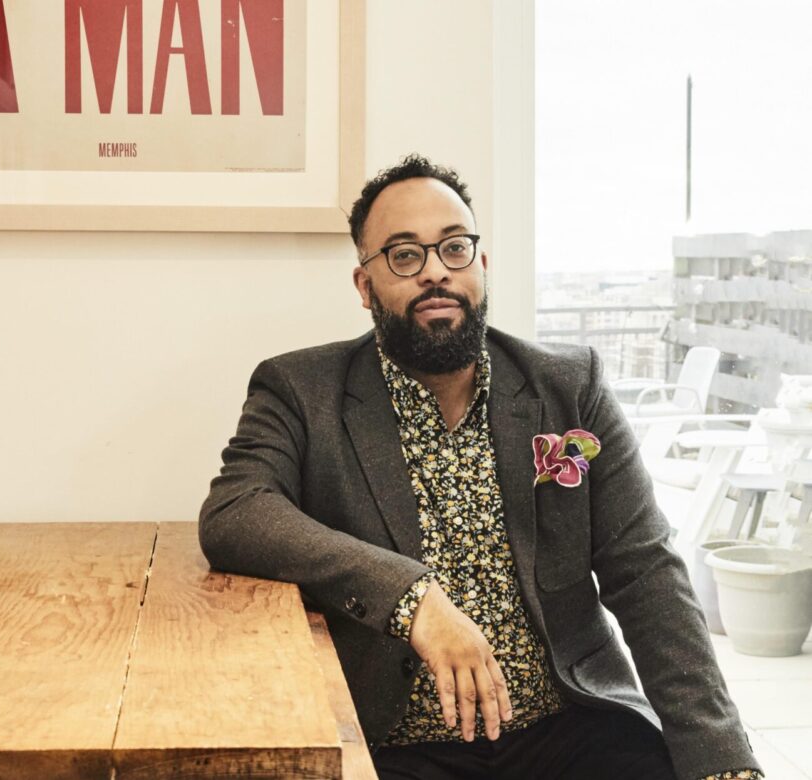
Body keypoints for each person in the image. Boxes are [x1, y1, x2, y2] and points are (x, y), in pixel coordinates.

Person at [198, 154, 763, 780]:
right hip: (398, 746)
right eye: (405, 255)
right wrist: (413, 599)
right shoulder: (301, 391)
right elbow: (235, 511)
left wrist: (723, 762)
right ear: (365, 286)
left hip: (570, 725)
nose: (435, 272)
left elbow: (647, 573)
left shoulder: (568, 387)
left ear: (482, 266)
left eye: (454, 248)